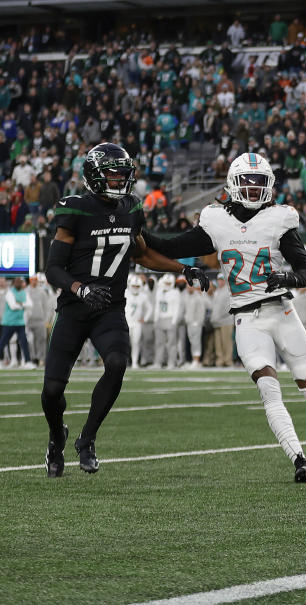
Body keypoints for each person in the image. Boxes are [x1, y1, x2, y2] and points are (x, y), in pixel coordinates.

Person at [141, 152, 306, 483]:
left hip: (282, 312)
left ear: (270, 186)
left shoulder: (279, 219)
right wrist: (133, 229)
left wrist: (286, 279)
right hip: (246, 319)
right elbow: (169, 246)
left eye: (258, 182)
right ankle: (300, 460)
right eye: (246, 181)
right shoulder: (216, 220)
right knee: (268, 389)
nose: (252, 188)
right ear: (233, 183)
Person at [41, 142, 209, 478]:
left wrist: (183, 269)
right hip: (75, 307)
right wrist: (81, 288)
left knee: (117, 363)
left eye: (123, 174)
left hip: (109, 308)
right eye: (113, 174)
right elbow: (54, 268)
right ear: (94, 175)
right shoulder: (75, 209)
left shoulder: (131, 208)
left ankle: (86, 440)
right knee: (52, 391)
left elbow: (143, 254)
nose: (120, 180)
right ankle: (56, 436)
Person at [0, 277, 33, 368]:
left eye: (20, 282)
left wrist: (21, 304)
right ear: (13, 283)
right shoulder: (9, 293)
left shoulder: (24, 293)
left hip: (20, 322)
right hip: (9, 322)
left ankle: (27, 361)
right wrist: (23, 305)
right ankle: (2, 360)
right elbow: (13, 306)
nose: (19, 284)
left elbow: (30, 304)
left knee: (24, 342)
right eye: (17, 282)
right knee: (3, 342)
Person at [151, 273, 182, 368]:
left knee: (171, 343)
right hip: (160, 318)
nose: (167, 285)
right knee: (159, 343)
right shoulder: (159, 292)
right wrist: (155, 320)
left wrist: (174, 322)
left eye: (169, 283)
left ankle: (171, 362)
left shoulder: (175, 292)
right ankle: (158, 362)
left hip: (170, 318)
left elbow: (177, 308)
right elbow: (157, 307)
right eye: (166, 283)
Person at [124, 274, 152, 368]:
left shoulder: (143, 296)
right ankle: (124, 362)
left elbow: (150, 308)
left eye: (137, 286)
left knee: (136, 343)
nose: (135, 288)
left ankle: (135, 362)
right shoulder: (125, 293)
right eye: (134, 286)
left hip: (137, 323)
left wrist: (145, 318)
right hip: (126, 321)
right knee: (124, 343)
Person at [182, 282, 209, 368]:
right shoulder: (187, 296)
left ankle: (197, 360)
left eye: (190, 287)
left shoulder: (198, 296)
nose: (189, 289)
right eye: (187, 287)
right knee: (192, 342)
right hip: (190, 323)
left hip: (196, 323)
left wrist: (198, 322)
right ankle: (194, 359)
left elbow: (202, 311)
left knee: (196, 342)